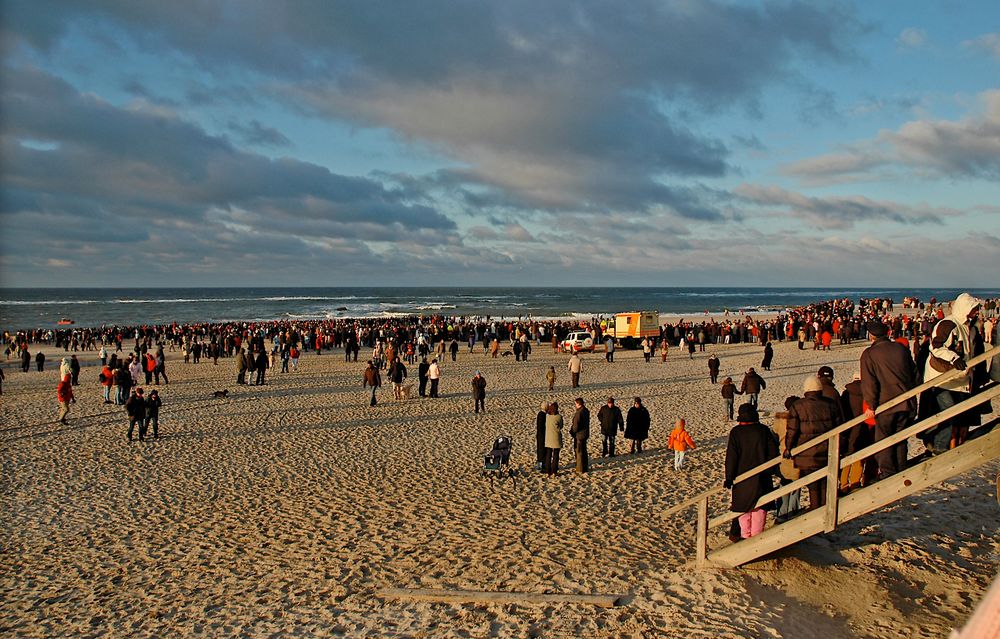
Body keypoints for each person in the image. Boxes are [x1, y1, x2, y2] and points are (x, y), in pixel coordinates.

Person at [922, 293, 986, 452]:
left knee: (956, 416)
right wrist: (953, 358)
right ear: (965, 309)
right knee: (949, 414)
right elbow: (936, 347)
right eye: (974, 309)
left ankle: (940, 445)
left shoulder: (969, 327)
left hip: (960, 379)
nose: (977, 312)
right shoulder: (948, 324)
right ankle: (938, 447)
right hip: (942, 378)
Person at [860, 319, 916, 477]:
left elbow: (869, 383)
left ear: (871, 336)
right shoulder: (900, 348)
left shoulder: (869, 354)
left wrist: (871, 406)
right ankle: (901, 469)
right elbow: (915, 374)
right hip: (905, 401)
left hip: (885, 404)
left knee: (883, 440)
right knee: (900, 438)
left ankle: (888, 473)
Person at [785, 376, 841, 510]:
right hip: (827, 450)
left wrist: (789, 448)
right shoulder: (830, 404)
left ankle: (816, 511)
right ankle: (824, 511)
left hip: (806, 453)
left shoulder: (798, 406)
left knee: (813, 486)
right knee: (825, 483)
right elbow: (839, 426)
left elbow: (792, 430)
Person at [724, 403, 779, 540]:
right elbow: (773, 452)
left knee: (743, 508)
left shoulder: (736, 432)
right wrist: (771, 470)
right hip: (762, 476)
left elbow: (732, 456)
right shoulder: (763, 430)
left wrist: (729, 477)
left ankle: (745, 536)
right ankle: (756, 537)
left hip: (742, 477)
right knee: (760, 508)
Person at [570, 398, 590, 473]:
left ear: (578, 404)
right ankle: (585, 467)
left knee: (579, 452)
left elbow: (576, 425)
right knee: (584, 451)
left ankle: (580, 469)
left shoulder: (579, 413)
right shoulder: (586, 410)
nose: (575, 405)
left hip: (579, 435)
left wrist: (572, 432)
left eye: (575, 404)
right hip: (585, 433)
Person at [544, 402, 564, 477]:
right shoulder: (558, 417)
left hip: (548, 437)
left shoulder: (547, 416)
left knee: (548, 455)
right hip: (556, 437)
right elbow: (561, 426)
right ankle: (554, 471)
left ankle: (547, 470)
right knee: (556, 455)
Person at [536, 402, 549, 471]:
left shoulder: (540, 414)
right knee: (542, 450)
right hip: (542, 435)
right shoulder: (543, 415)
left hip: (540, 435)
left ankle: (540, 464)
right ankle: (541, 465)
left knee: (540, 449)